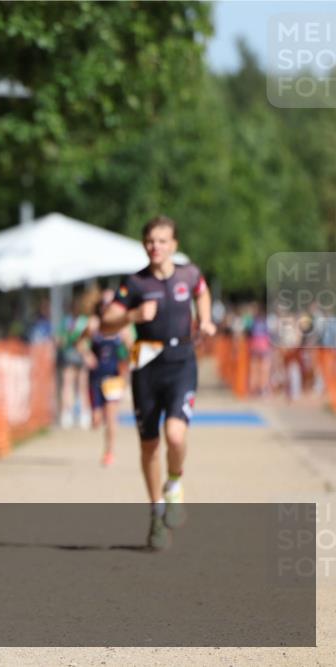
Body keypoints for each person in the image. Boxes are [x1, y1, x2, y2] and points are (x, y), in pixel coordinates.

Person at [102, 215, 216, 550]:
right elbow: (107, 323)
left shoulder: (188, 274)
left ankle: (175, 483)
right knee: (149, 445)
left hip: (181, 362)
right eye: (151, 241)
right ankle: (156, 512)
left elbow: (203, 292)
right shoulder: (135, 284)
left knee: (176, 434)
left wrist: (205, 320)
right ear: (144, 244)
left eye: (163, 241)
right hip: (146, 366)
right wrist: (132, 316)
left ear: (174, 245)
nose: (156, 247)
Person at [77, 289, 132, 467]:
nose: (107, 307)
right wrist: (87, 356)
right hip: (95, 376)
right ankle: (96, 417)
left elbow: (133, 350)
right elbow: (79, 343)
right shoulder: (94, 325)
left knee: (111, 417)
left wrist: (127, 363)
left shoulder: (122, 328)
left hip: (113, 377)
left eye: (111, 304)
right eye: (104, 304)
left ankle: (109, 451)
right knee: (96, 419)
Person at [58, 290, 96, 429]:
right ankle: (71, 413)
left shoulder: (73, 322)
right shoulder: (71, 321)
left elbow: (61, 340)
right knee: (72, 385)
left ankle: (78, 414)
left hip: (79, 355)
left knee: (79, 385)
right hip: (73, 355)